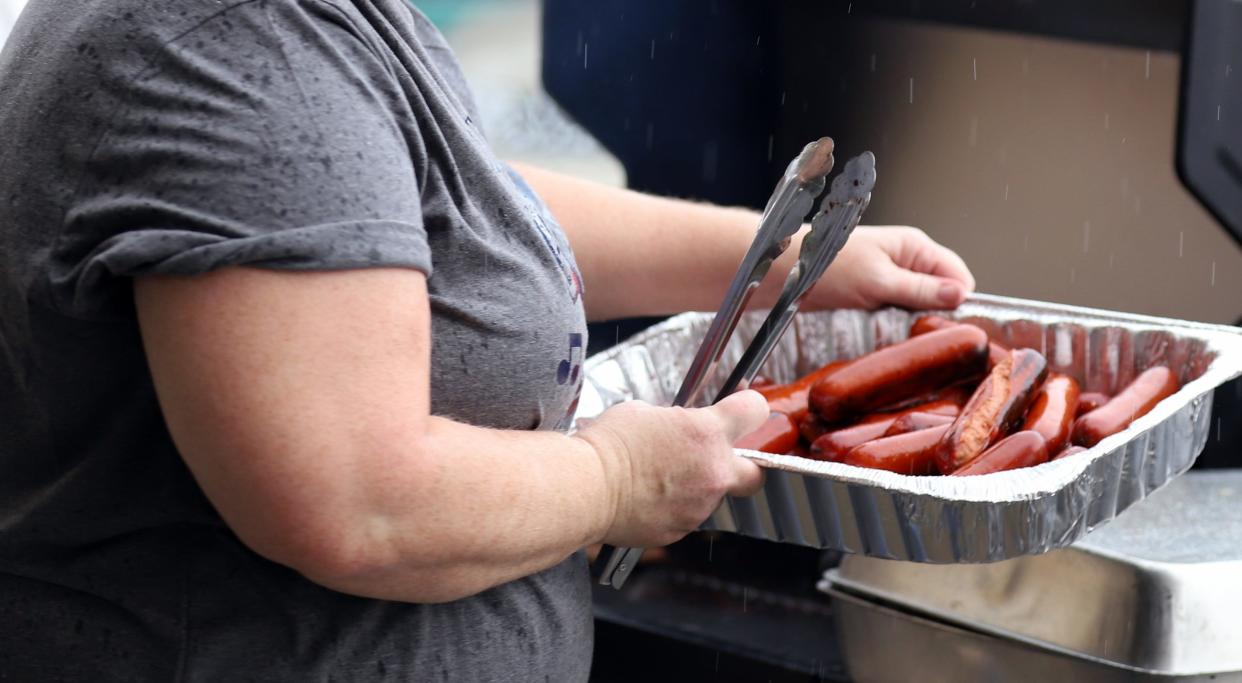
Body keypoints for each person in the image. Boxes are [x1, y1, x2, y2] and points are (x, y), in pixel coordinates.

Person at [0, 1, 975, 680]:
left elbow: (430, 202)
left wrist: (773, 261)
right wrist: (614, 485)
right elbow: (358, 502)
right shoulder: (237, 43)